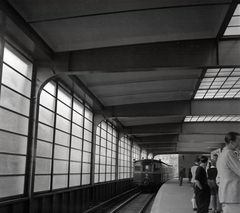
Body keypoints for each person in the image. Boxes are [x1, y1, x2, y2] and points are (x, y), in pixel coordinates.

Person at [217, 132, 240, 213]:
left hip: (226, 194)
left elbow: (218, 177)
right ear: (232, 142)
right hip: (232, 195)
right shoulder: (229, 154)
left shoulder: (222, 154)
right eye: (239, 141)